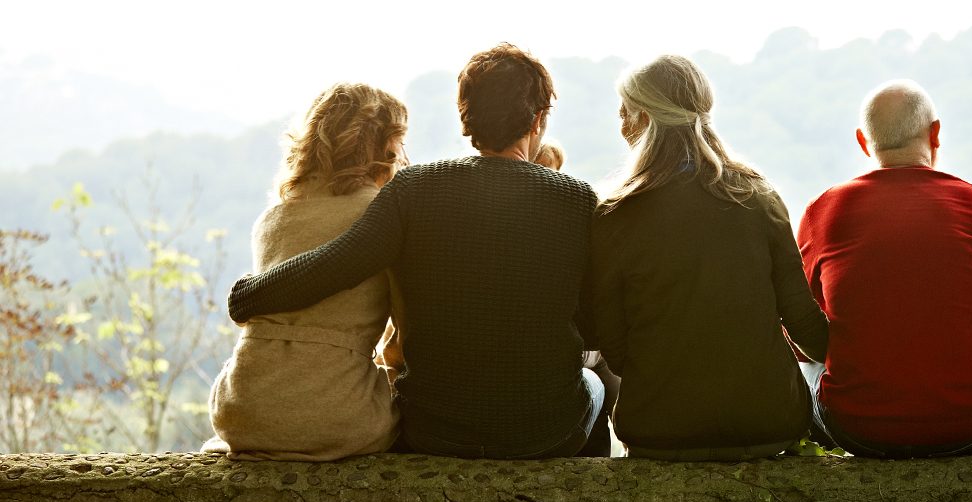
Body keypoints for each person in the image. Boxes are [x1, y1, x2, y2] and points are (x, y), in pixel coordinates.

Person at [227, 43, 607, 460]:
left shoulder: (413, 189)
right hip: (543, 432)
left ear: (466, 117)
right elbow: (593, 323)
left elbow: (335, 265)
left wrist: (250, 294)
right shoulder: (577, 199)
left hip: (433, 430)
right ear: (537, 120)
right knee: (595, 381)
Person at [580, 54, 828, 461]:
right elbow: (803, 322)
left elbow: (616, 348)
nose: (620, 123)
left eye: (624, 112)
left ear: (645, 119)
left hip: (658, 429)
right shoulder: (757, 197)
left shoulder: (615, 215)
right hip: (768, 423)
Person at [796, 79, 972, 459]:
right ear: (935, 133)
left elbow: (800, 324)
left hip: (857, 429)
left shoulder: (823, 211)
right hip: (968, 425)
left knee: (808, 367)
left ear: (863, 141)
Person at [204, 83, 407, 461]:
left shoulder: (271, 219)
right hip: (338, 416)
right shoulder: (384, 214)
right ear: (387, 145)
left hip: (240, 410)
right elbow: (405, 330)